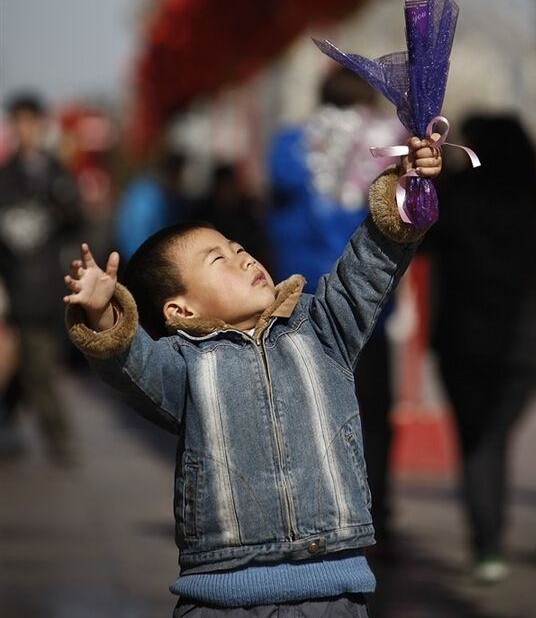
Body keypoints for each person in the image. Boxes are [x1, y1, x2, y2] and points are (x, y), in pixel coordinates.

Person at [63, 134, 442, 616]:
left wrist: (407, 192)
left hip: (332, 590)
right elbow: (129, 363)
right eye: (218, 259)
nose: (243, 258)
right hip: (223, 597)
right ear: (181, 308)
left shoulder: (322, 328)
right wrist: (103, 315)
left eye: (238, 247)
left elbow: (368, 267)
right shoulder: (183, 366)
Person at [267, 68, 403, 547]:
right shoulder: (390, 144)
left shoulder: (291, 144)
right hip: (370, 304)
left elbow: (275, 191)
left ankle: (310, 517)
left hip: (301, 298)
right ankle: (376, 513)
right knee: (373, 412)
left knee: (305, 408)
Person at [423, 114, 536, 583]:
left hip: (463, 337)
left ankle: (488, 543)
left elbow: (421, 242)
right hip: (524, 342)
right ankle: (489, 542)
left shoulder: (458, 197)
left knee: (475, 438)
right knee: (494, 437)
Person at [0, 92, 82, 463]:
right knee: (30, 363)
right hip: (14, 285)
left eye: (31, 121)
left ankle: (29, 429)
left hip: (47, 286)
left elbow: (78, 220)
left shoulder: (57, 174)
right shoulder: (5, 179)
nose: (25, 130)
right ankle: (53, 437)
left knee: (34, 363)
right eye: (19, 122)